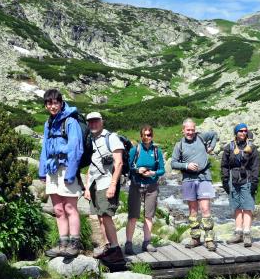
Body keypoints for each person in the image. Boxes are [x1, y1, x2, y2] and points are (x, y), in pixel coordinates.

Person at [39, 89, 84, 258]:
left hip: (66, 168)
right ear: (46, 105)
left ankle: (74, 243)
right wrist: (42, 171)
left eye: (55, 102)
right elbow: (44, 147)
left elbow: (76, 149)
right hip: (52, 169)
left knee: (70, 207)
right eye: (49, 103)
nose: (53, 106)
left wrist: (71, 173)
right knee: (58, 208)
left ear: (61, 102)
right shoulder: (48, 123)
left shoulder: (70, 122)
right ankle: (62, 243)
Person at [83, 112, 125, 265]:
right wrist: (87, 187)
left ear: (102, 122)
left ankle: (116, 251)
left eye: (96, 121)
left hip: (107, 182)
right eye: (90, 122)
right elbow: (91, 166)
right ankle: (108, 247)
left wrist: (113, 185)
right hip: (95, 184)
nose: (93, 124)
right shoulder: (90, 140)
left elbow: (119, 163)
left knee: (106, 216)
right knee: (100, 217)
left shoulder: (111, 138)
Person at [171, 119, 219, 251]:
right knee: (192, 210)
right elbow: (173, 163)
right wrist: (187, 165)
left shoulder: (202, 137)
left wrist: (211, 147)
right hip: (188, 179)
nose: (190, 132)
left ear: (195, 129)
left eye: (192, 129)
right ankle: (195, 238)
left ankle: (209, 239)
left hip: (204, 177)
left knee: (205, 209)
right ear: (183, 130)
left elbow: (215, 134)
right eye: (188, 130)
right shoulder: (179, 145)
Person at [125, 125, 165, 255]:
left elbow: (162, 170)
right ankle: (129, 243)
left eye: (149, 135)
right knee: (133, 216)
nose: (146, 137)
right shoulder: (134, 150)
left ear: (152, 135)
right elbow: (128, 167)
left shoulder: (156, 151)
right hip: (136, 184)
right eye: (144, 135)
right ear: (140, 136)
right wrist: (138, 170)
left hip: (152, 186)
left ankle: (146, 242)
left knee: (149, 216)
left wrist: (153, 172)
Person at [221, 123, 260, 247]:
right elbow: (224, 166)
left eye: (245, 131)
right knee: (236, 206)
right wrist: (225, 181)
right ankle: (238, 233)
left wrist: (254, 182)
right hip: (233, 180)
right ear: (236, 133)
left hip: (247, 180)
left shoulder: (252, 148)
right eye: (240, 131)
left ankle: (247, 233)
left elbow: (255, 166)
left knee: (247, 206)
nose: (243, 133)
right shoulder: (229, 147)